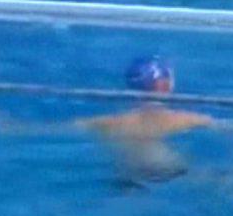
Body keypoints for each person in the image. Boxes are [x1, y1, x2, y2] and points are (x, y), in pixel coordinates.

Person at [74, 56, 214, 187]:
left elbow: (67, 127)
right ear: (163, 86)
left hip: (127, 175)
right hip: (169, 171)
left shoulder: (105, 123)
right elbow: (223, 126)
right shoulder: (183, 119)